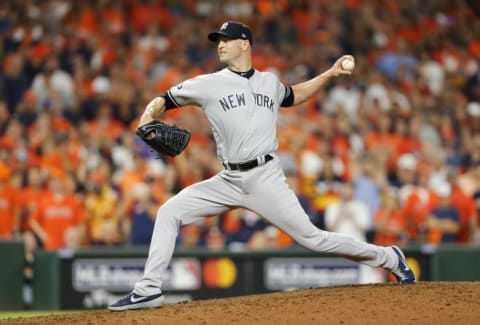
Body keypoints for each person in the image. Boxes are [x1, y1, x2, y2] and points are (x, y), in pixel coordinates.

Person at [108, 21, 415, 311]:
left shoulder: (270, 81)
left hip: (265, 176)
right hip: (228, 179)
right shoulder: (208, 84)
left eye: (226, 40)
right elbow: (165, 98)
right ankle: (148, 289)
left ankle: (388, 257)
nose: (220, 45)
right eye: (218, 41)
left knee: (313, 238)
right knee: (169, 212)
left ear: (245, 44)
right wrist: (148, 116)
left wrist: (329, 74)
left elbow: (294, 95)